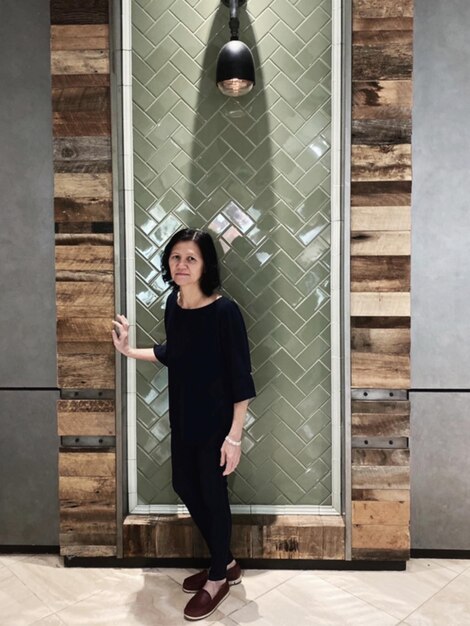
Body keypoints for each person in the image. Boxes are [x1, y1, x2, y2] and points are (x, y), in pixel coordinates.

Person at [112, 228, 256, 621]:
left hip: (216, 423)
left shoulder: (226, 312)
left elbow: (242, 380)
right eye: (176, 257)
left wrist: (234, 437)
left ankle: (217, 579)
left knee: (213, 493)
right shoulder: (173, 304)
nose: (182, 265)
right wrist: (127, 350)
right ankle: (225, 563)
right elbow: (172, 352)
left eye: (191, 258)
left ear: (206, 264)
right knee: (184, 484)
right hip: (183, 416)